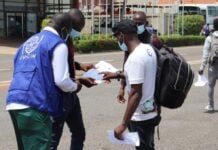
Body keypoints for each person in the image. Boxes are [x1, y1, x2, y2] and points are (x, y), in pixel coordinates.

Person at [6, 12, 96, 150]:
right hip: (35, 104)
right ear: (65, 29)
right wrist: (76, 86)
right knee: (46, 144)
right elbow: (61, 81)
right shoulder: (57, 43)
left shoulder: (28, 43)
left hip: (14, 102)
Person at [105, 19, 160, 150]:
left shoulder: (135, 58)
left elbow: (136, 93)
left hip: (141, 117)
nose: (117, 40)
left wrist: (123, 124)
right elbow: (142, 76)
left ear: (122, 35)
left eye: (116, 36)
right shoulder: (148, 49)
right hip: (151, 112)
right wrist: (117, 74)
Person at [50, 9, 96, 150]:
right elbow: (58, 75)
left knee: (79, 132)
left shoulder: (67, 39)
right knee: (53, 139)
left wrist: (80, 66)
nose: (77, 33)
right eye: (76, 29)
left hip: (71, 94)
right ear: (68, 26)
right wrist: (80, 81)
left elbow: (66, 61)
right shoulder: (56, 41)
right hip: (59, 96)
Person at [199, 18, 218, 112]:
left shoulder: (209, 38)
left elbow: (205, 55)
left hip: (213, 66)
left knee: (211, 86)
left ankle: (210, 105)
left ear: (214, 26)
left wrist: (202, 67)